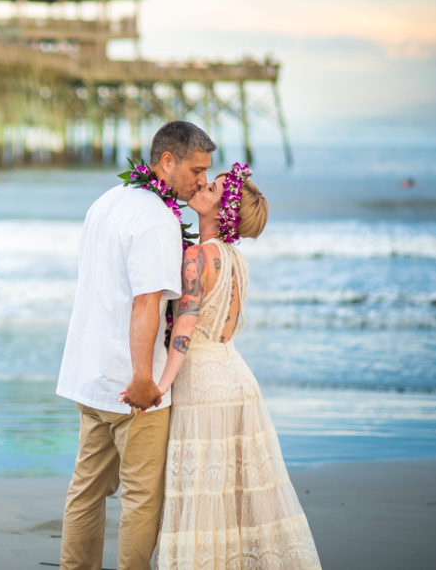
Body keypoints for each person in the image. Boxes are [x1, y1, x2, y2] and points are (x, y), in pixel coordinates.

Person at [57, 120, 216, 570]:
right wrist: (144, 379)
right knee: (142, 498)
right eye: (196, 170)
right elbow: (147, 303)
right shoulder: (157, 219)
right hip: (131, 387)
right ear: (167, 161)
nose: (202, 180)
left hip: (90, 374)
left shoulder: (107, 202)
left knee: (86, 490)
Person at [151, 163, 321, 569]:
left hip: (203, 383)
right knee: (236, 493)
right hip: (237, 375)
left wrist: (160, 385)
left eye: (210, 188)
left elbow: (186, 328)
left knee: (202, 490)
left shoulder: (196, 257)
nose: (201, 187)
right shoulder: (237, 261)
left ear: (221, 212)